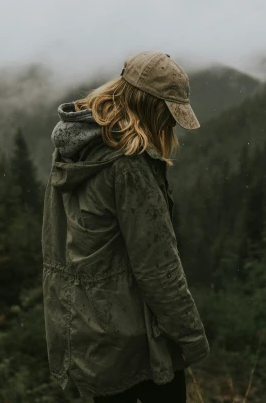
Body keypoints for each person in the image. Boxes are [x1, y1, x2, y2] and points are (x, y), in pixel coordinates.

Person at [41, 51, 210, 402]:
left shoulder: (73, 147)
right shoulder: (130, 166)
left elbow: (56, 245)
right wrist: (191, 339)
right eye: (169, 114)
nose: (171, 125)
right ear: (153, 108)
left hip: (85, 333)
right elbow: (159, 268)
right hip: (135, 344)